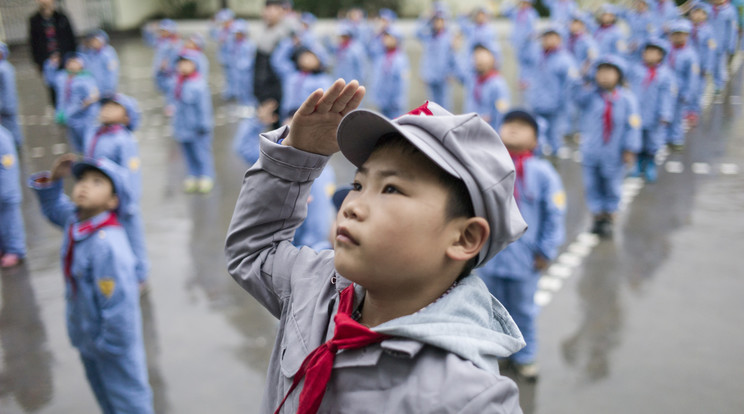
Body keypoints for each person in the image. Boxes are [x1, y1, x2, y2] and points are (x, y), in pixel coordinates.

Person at [225, 79, 527, 413]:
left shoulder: (468, 398)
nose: (352, 206)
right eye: (358, 184)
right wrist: (297, 156)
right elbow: (253, 252)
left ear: (464, 238)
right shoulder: (316, 286)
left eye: (391, 189)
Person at [28, 155, 153, 413]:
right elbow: (53, 209)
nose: (84, 185)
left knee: (129, 401)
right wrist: (54, 179)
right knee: (105, 397)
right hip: (88, 336)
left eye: (97, 182)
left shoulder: (109, 245)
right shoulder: (77, 221)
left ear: (113, 201)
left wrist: (109, 346)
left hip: (112, 346)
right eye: (82, 179)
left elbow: (120, 307)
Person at [478, 109, 566, 381]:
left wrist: (546, 250)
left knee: (523, 311)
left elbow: (555, 213)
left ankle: (524, 357)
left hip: (525, 260)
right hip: (488, 259)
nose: (514, 129)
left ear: (536, 140)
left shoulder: (543, 173)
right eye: (509, 124)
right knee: (487, 308)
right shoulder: (486, 166)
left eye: (523, 126)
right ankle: (496, 354)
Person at [83, 94, 149, 286]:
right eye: (104, 106)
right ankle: (116, 273)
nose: (106, 110)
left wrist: (128, 202)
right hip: (102, 200)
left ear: (127, 117)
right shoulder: (95, 133)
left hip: (121, 200)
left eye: (114, 107)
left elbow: (131, 173)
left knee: (132, 237)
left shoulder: (124, 140)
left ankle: (140, 276)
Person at [573, 56, 641, 237]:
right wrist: (582, 76)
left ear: (619, 75)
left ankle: (610, 216)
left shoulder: (627, 99)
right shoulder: (590, 96)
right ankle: (597, 216)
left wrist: (630, 149)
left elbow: (632, 125)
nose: (604, 76)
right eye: (600, 72)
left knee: (612, 185)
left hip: (614, 153)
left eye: (609, 72)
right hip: (591, 152)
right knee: (592, 185)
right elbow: (575, 96)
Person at [521, 26, 580, 155]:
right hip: (537, 103)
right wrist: (528, 39)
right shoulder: (538, 55)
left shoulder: (565, 59)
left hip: (555, 106)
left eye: (553, 37)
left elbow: (571, 84)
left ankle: (554, 165)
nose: (549, 40)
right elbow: (523, 56)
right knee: (537, 138)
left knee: (554, 140)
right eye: (546, 37)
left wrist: (565, 105)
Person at [626, 39, 676, 182]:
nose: (650, 55)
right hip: (637, 113)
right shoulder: (636, 69)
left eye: (655, 53)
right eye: (648, 52)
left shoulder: (665, 74)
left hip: (654, 115)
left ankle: (650, 164)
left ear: (661, 55)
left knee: (652, 141)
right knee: (636, 139)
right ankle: (636, 164)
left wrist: (665, 113)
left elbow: (667, 95)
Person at [172, 50, 214, 194]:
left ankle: (206, 176)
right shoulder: (178, 82)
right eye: (180, 63)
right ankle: (193, 176)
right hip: (182, 128)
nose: (183, 66)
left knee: (201, 153)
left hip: (197, 128)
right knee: (188, 153)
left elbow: (204, 107)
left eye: (187, 63)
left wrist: (204, 125)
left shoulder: (198, 84)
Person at [45, 52, 100, 153]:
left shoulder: (87, 78)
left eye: (76, 63)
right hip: (69, 118)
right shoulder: (62, 77)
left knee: (88, 143)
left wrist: (82, 105)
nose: (72, 65)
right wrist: (51, 66)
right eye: (70, 62)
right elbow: (49, 80)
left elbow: (94, 96)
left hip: (84, 118)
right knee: (75, 146)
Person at [29, 0, 77, 107]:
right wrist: (38, 62)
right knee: (52, 88)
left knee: (68, 85)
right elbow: (34, 43)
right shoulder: (35, 20)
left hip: (64, 59)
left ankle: (70, 109)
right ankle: (58, 111)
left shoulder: (61, 17)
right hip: (47, 62)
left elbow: (71, 38)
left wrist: (71, 57)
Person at [455, 43, 510, 131]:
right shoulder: (473, 79)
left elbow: (501, 114)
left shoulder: (497, 84)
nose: (478, 60)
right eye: (476, 56)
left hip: (487, 133)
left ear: (493, 59)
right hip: (469, 130)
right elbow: (458, 71)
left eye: (482, 56)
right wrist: (455, 52)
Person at [254, 0, 297, 111]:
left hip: (283, 97)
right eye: (267, 8)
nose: (268, 12)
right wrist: (262, 98)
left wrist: (272, 99)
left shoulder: (291, 37)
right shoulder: (262, 34)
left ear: (282, 11)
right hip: (266, 95)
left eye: (272, 8)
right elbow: (260, 72)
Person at [666, 20, 700, 150]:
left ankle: (676, 139)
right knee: (666, 114)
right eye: (675, 34)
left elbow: (692, 77)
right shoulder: (667, 49)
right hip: (666, 88)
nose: (678, 37)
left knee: (677, 115)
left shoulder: (690, 54)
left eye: (682, 34)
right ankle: (666, 137)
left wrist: (687, 93)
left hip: (680, 89)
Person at [416, 8, 455, 110]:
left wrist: (451, 72)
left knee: (445, 105)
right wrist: (426, 19)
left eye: (440, 20)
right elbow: (416, 32)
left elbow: (452, 57)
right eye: (435, 21)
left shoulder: (448, 37)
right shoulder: (429, 36)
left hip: (444, 76)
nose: (438, 23)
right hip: (431, 75)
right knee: (432, 105)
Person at [370, 27, 410, 118]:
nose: (386, 40)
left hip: (395, 104)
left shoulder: (401, 58)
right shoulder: (381, 56)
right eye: (385, 37)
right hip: (383, 101)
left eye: (389, 37)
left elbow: (403, 82)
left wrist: (399, 100)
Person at [0, 125, 25, 268]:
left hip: (6, 194)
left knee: (10, 221)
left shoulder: (3, 138)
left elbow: (7, 168)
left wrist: (5, 193)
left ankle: (15, 250)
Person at [689, 2, 716, 119]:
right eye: (696, 12)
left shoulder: (708, 30)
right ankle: (687, 110)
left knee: (698, 88)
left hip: (701, 63)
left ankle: (695, 110)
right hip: (689, 64)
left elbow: (711, 49)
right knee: (688, 86)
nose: (698, 15)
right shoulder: (686, 28)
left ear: (706, 16)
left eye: (702, 13)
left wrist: (708, 66)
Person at [708, 0, 739, 93]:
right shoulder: (709, 10)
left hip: (722, 43)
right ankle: (716, 83)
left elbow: (732, 29)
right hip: (711, 44)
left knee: (720, 65)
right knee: (712, 65)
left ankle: (720, 85)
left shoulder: (730, 10)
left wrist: (731, 45)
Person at [80, 29, 119, 97]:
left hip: (106, 91)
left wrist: (109, 89)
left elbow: (112, 72)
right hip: (94, 90)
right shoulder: (91, 53)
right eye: (92, 41)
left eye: (96, 40)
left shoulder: (108, 53)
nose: (93, 42)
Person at [0, 42, 24, 149]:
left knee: (10, 127)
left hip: (6, 105)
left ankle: (15, 146)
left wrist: (4, 105)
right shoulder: (7, 67)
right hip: (9, 104)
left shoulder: (2, 69)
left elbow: (7, 90)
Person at [228, 19, 257, 107]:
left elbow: (251, 58)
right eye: (236, 33)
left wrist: (244, 65)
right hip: (236, 71)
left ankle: (250, 105)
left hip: (247, 73)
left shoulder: (249, 44)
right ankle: (242, 105)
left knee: (248, 89)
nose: (237, 35)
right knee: (239, 89)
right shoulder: (233, 44)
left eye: (239, 33)